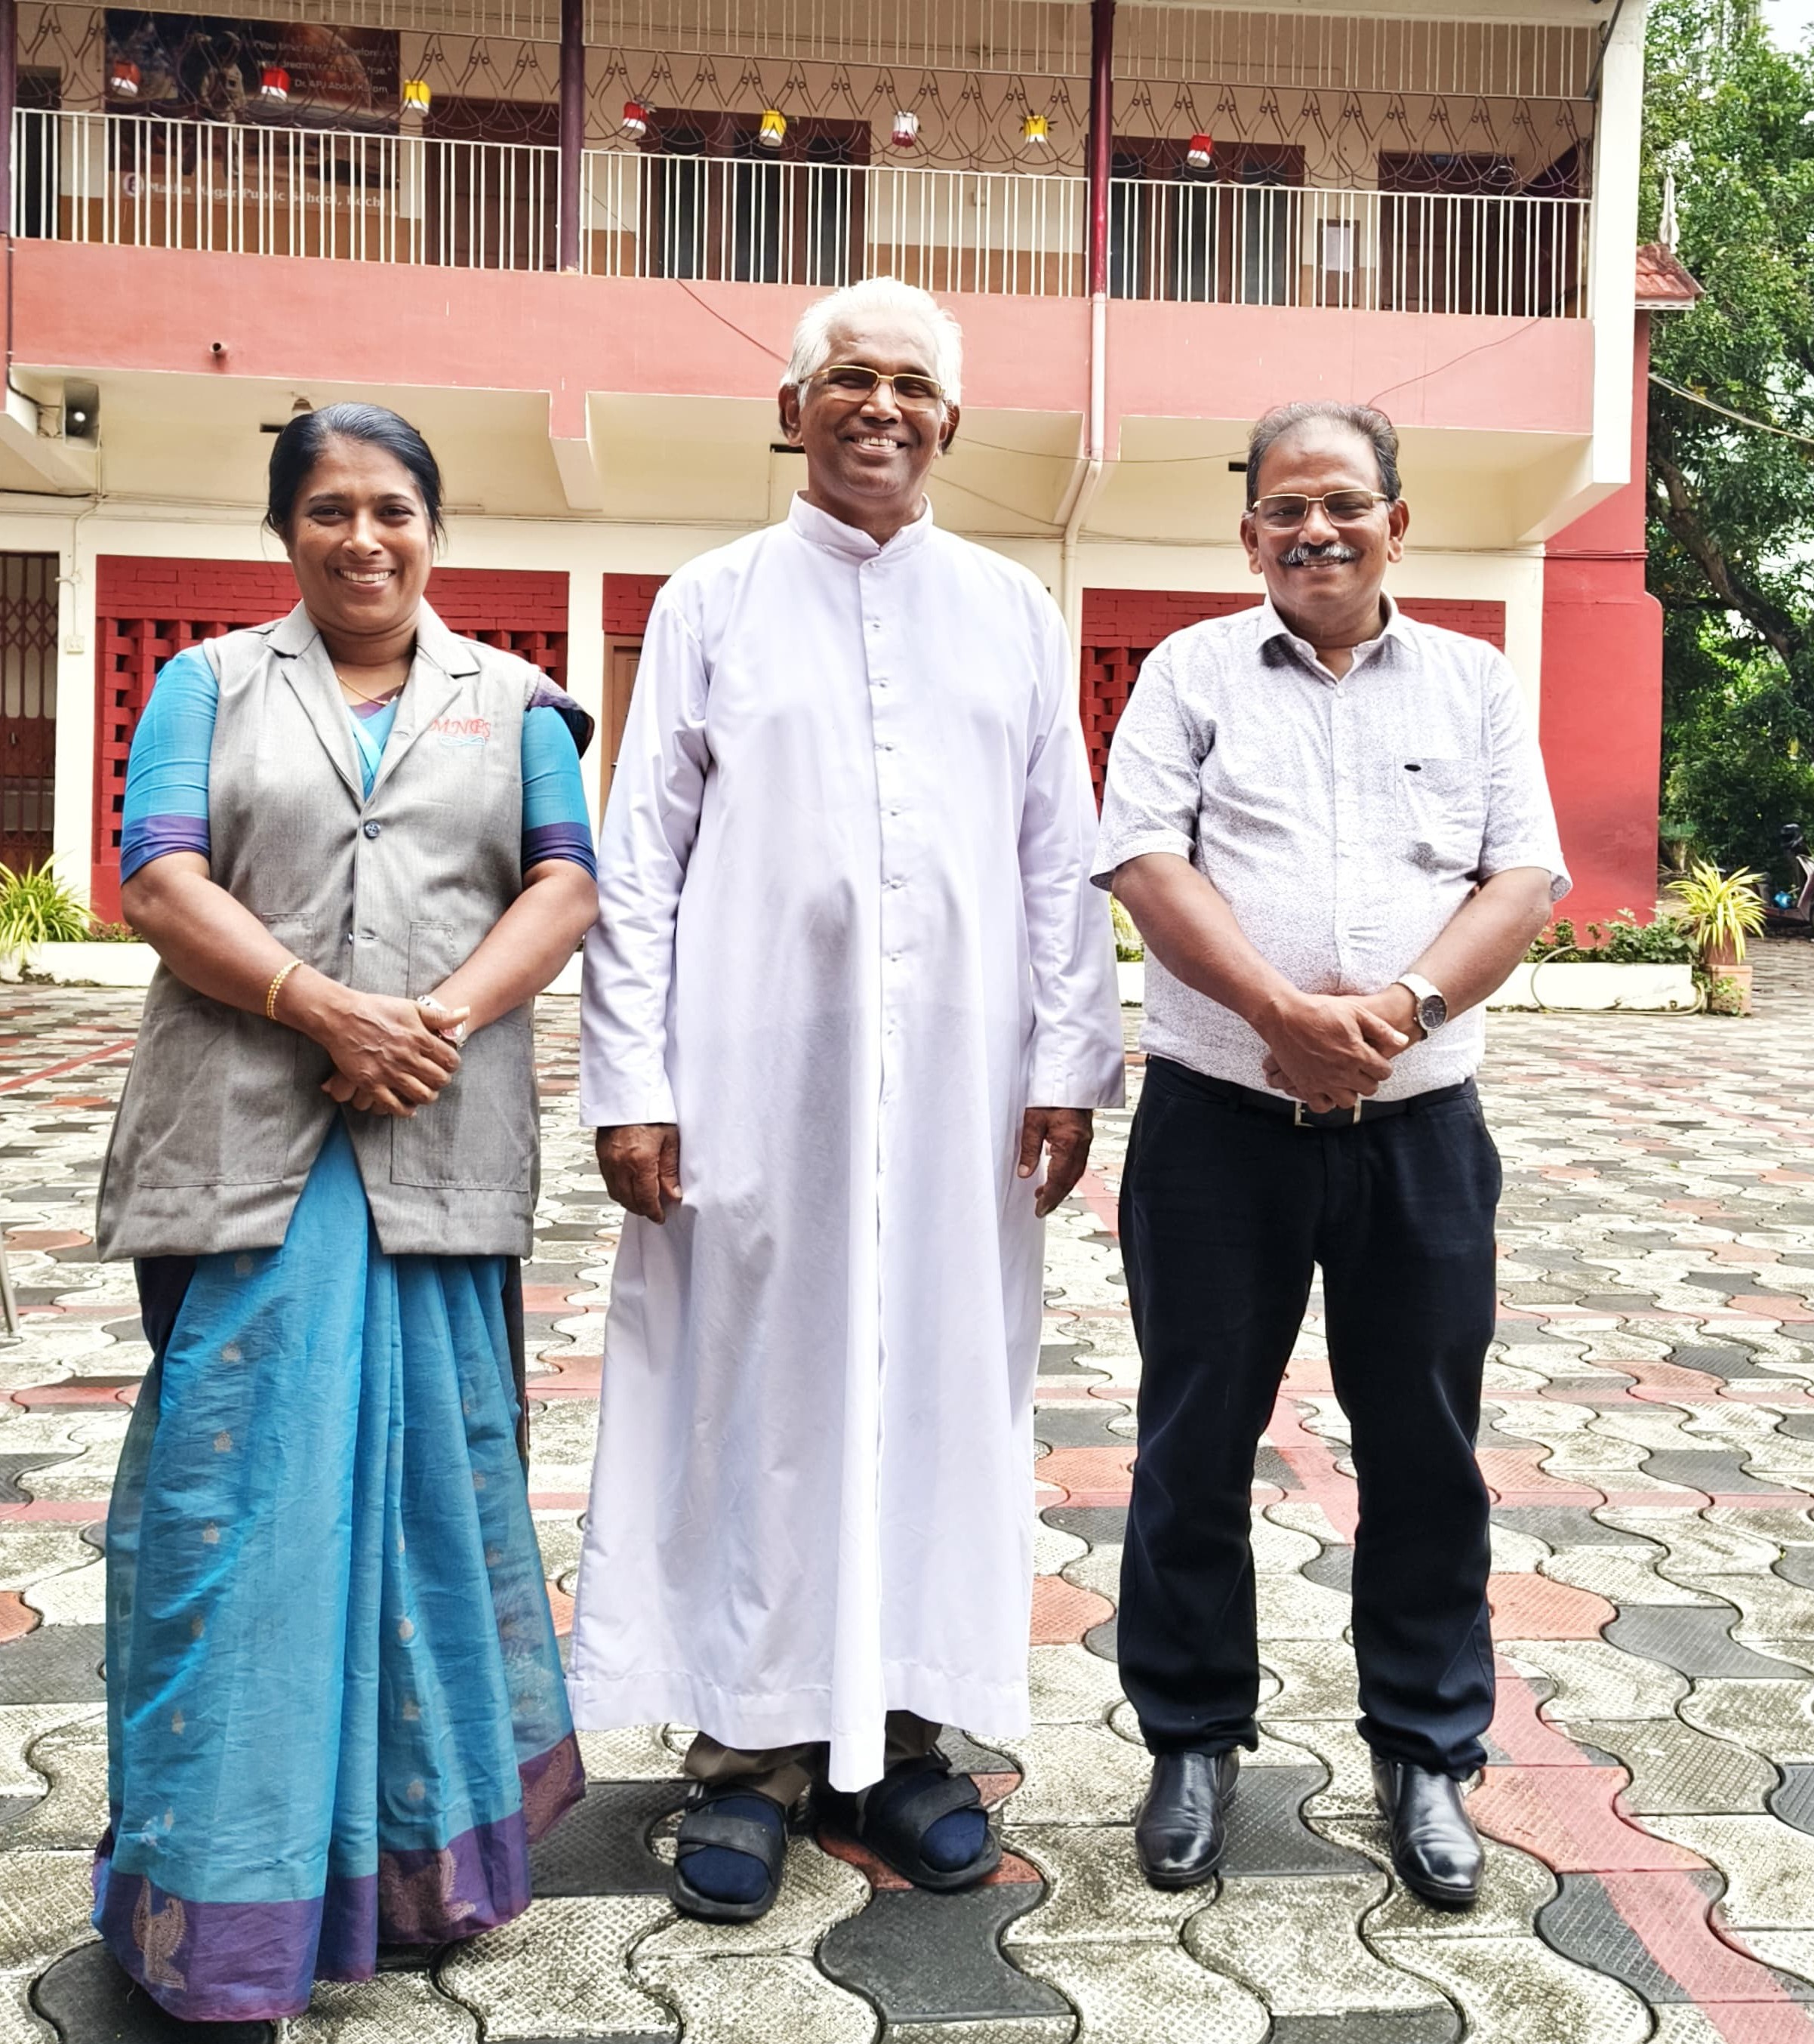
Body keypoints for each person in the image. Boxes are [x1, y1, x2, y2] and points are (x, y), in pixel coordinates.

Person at [570, 276, 1125, 1922]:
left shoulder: (1012, 613)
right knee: (752, 1398)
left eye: (910, 385)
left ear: (949, 421)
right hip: (751, 1080)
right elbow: (639, 863)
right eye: (846, 380)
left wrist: (1066, 1063)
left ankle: (903, 1737)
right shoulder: (713, 601)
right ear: (792, 409)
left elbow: (1055, 858)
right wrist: (633, 1083)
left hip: (961, 1097)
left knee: (938, 1390)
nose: (878, 406)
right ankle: (743, 1752)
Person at [92, 402, 598, 2021]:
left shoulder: (512, 699)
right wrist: (325, 1007)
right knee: (239, 1521)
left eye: (392, 508)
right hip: (246, 1151)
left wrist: (424, 1023)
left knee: (430, 1517)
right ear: (286, 531)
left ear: (434, 528)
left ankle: (416, 1870)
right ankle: (227, 1908)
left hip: (433, 1150)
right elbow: (158, 878)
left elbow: (566, 884)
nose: (361, 539)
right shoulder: (208, 684)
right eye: (327, 511)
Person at [1095, 401, 1567, 1904]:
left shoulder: (1477, 683)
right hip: (1215, 1125)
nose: (1316, 528)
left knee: (1423, 1447)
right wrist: (1277, 1012)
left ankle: (1425, 1749)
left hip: (1418, 1128)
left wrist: (1398, 1008)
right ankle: (1188, 1736)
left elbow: (1524, 872)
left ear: (1394, 523)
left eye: (1343, 503)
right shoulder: (1188, 674)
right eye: (1286, 507)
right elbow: (1144, 859)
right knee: (1190, 1439)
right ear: (1249, 536)